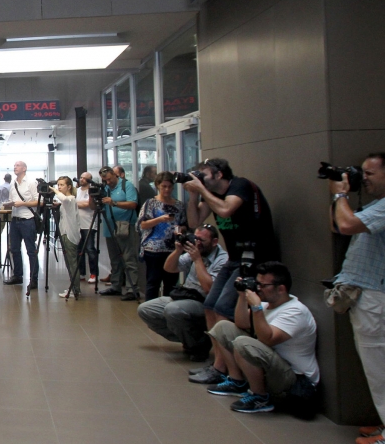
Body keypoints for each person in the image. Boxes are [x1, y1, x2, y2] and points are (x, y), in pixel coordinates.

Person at [183, 158, 276, 383]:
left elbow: (225, 210)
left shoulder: (240, 186)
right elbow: (195, 222)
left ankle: (234, 374)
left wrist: (202, 190)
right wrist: (194, 195)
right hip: (235, 258)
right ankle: (219, 365)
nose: (200, 178)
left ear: (218, 175)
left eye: (203, 174)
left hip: (254, 258)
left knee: (224, 309)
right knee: (210, 305)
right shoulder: (211, 195)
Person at [206, 262, 319, 414]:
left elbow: (268, 339)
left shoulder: (295, 311)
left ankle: (260, 397)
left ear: (281, 288)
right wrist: (242, 297)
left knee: (243, 343)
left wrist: (257, 308)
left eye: (262, 285)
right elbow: (241, 322)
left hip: (294, 378)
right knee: (223, 327)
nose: (257, 288)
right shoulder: (268, 305)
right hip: (274, 368)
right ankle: (236, 381)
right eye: (256, 283)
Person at [328, 153, 385, 443]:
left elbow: (347, 225)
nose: (364, 179)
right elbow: (338, 225)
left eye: (369, 174)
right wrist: (337, 196)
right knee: (375, 364)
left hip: (376, 296)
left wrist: (341, 195)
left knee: (378, 365)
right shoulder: (375, 206)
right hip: (368, 295)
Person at [137, 225, 228, 361]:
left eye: (202, 240)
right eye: (195, 238)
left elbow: (210, 289)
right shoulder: (196, 251)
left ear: (214, 242)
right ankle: (195, 340)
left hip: (205, 303)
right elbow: (169, 268)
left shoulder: (223, 259)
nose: (197, 243)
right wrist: (178, 251)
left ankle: (197, 346)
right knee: (145, 309)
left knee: (173, 310)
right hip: (186, 296)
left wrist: (197, 260)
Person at [136, 172, 182, 300]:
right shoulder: (150, 203)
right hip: (153, 249)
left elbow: (184, 225)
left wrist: (179, 230)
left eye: (169, 187)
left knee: (171, 283)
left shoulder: (178, 205)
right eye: (164, 186)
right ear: (158, 186)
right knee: (153, 282)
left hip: (173, 249)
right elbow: (143, 225)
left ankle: (168, 311)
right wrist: (160, 219)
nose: (167, 189)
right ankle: (150, 310)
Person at [97, 166, 141, 300]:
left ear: (115, 175)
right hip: (109, 227)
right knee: (115, 259)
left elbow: (133, 204)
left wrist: (114, 203)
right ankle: (116, 286)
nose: (108, 182)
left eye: (109, 179)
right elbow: (96, 207)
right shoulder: (104, 189)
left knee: (128, 258)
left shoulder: (126, 185)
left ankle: (132, 288)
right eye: (105, 180)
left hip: (125, 226)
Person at [4, 161, 41, 289]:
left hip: (28, 220)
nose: (15, 167)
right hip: (15, 220)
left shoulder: (31, 183)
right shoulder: (13, 184)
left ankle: (34, 279)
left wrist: (23, 203)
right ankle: (18, 275)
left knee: (31, 251)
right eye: (14, 165)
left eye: (18, 165)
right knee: (14, 249)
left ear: (25, 168)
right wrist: (9, 204)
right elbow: (12, 200)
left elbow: (38, 202)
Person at [51, 176, 81, 299]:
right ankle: (74, 287)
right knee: (70, 263)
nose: (59, 187)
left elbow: (64, 198)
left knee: (72, 263)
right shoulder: (66, 201)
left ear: (69, 187)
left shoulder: (71, 199)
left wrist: (53, 190)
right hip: (65, 233)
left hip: (70, 235)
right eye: (58, 185)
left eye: (62, 185)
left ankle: (75, 289)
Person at [77, 172, 101, 283]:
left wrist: (77, 203)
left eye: (84, 178)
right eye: (81, 177)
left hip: (89, 224)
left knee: (90, 249)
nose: (81, 179)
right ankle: (81, 273)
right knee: (79, 250)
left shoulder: (92, 191)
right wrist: (79, 203)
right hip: (78, 224)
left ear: (89, 180)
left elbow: (89, 205)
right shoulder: (77, 191)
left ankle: (94, 274)